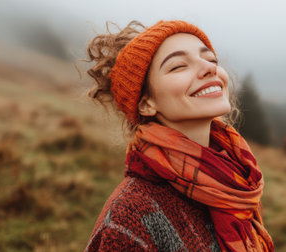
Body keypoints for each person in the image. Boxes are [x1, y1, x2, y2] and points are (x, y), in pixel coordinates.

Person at [84, 20, 274, 252]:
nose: (209, 68)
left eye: (211, 59)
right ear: (145, 103)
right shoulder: (128, 217)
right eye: (179, 66)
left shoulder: (237, 181)